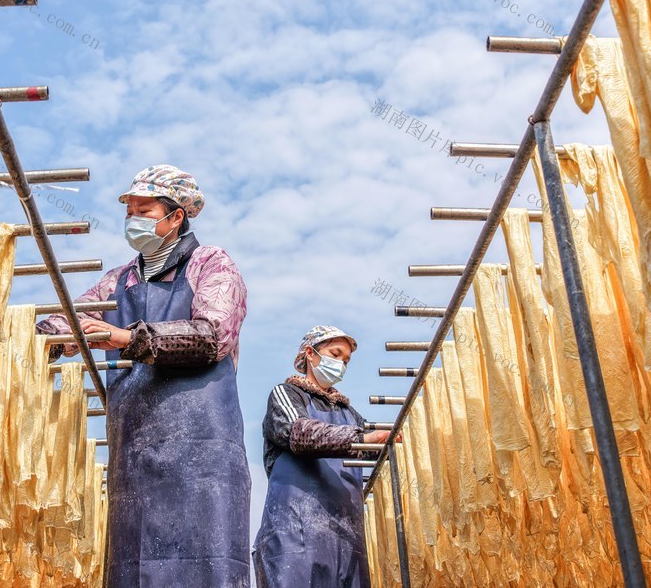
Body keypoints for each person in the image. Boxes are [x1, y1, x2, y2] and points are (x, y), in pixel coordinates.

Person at [37, 164, 251, 587]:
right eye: (128, 209)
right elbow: (66, 325)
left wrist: (127, 337)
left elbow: (213, 336)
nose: (133, 217)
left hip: (202, 452)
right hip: (134, 455)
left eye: (144, 208)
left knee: (203, 566)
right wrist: (27, 339)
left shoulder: (210, 263)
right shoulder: (118, 281)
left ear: (175, 217)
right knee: (133, 570)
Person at [253, 325, 395, 587]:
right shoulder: (287, 395)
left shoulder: (350, 414)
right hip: (295, 537)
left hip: (346, 541)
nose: (341, 364)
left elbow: (377, 447)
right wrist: (362, 438)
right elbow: (298, 432)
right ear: (310, 353)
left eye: (346, 360)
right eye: (335, 354)